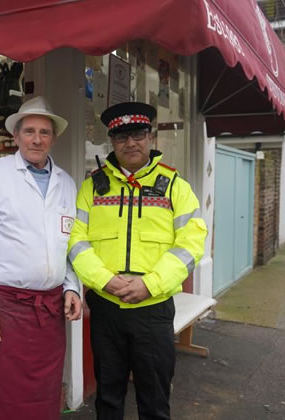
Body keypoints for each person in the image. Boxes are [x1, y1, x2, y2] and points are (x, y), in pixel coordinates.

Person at [68, 102, 207, 420]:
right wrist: (105, 280)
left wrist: (149, 284)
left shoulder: (175, 187)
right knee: (108, 398)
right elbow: (76, 242)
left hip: (154, 310)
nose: (130, 143)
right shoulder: (93, 187)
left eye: (138, 134)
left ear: (151, 136)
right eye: (121, 136)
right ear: (112, 141)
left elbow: (190, 246)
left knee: (155, 400)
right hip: (106, 308)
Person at [0, 96, 82, 420]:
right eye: (30, 131)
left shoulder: (66, 184)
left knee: (40, 399)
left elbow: (69, 245)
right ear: (16, 136)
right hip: (3, 312)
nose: (37, 139)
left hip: (49, 315)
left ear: (54, 138)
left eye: (44, 132)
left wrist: (72, 287)